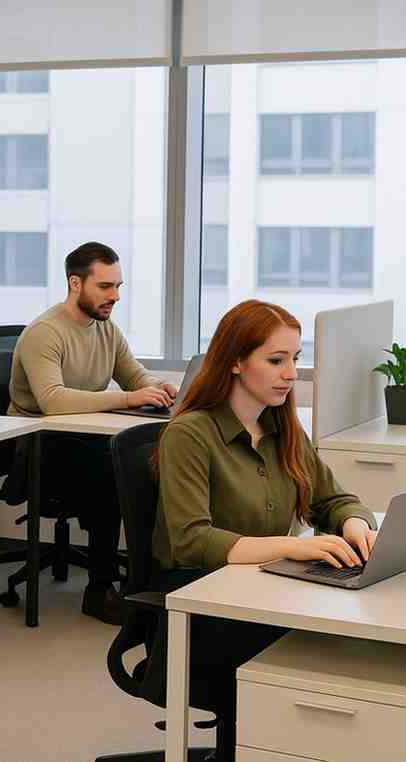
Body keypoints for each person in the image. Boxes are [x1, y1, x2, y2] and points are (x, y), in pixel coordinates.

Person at [153, 298, 377, 749]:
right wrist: (292, 547)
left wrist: (354, 523)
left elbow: (334, 499)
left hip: (267, 590)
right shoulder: (190, 435)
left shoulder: (282, 427)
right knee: (326, 652)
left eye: (295, 359)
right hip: (205, 603)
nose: (291, 373)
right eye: (276, 360)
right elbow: (191, 541)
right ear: (235, 362)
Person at [8, 242, 178, 624]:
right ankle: (99, 589)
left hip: (85, 439)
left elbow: (134, 375)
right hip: (38, 447)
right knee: (112, 470)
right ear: (75, 283)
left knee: (152, 461)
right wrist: (129, 398)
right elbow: (52, 401)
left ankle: (148, 582)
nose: (115, 296)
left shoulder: (106, 329)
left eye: (118, 286)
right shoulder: (45, 333)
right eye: (105, 286)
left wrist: (158, 387)